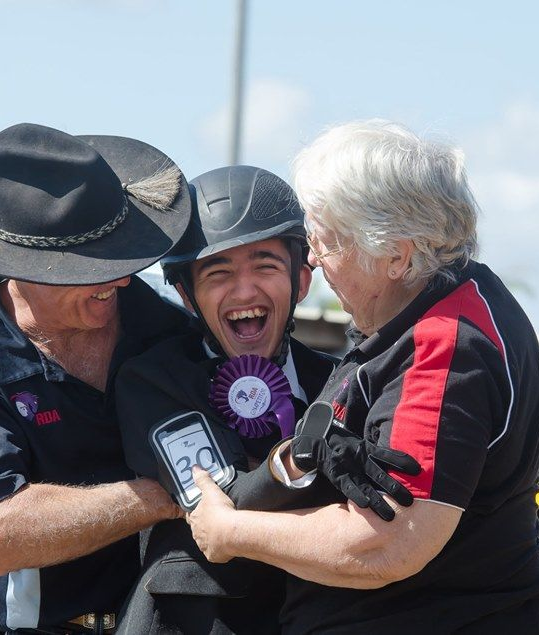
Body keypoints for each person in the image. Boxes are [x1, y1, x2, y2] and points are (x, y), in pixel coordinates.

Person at [187, 120, 539, 634]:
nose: (315, 260)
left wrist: (230, 531)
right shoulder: (425, 311)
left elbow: (388, 544)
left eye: (328, 241)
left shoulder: (443, 346)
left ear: (396, 255)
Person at [114, 166, 415, 634]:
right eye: (219, 273)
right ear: (187, 296)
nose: (245, 290)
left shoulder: (344, 379)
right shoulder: (153, 382)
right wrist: (299, 457)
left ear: (301, 281)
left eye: (265, 266)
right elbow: (217, 498)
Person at [0, 123, 194, 634]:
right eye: (92, 264)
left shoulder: (175, 315)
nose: (120, 277)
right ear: (21, 267)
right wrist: (170, 493)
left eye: (121, 251)